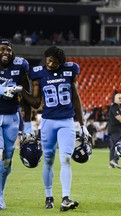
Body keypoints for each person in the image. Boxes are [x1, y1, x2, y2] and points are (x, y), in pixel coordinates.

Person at [21, 46, 90, 211]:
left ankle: (66, 198)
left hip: (66, 121)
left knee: (65, 158)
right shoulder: (38, 73)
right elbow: (37, 103)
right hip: (47, 122)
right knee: (49, 160)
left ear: (61, 62)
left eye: (54, 61)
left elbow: (75, 98)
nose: (50, 63)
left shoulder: (69, 71)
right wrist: (21, 91)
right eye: (48, 60)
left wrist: (82, 124)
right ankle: (48, 196)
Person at [0, 39, 33, 210]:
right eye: (2, 50)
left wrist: (27, 125)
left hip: (13, 117)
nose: (6, 53)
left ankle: (1, 192)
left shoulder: (20, 65)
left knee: (7, 160)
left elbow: (27, 96)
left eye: (8, 50)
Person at [107, 93, 121, 169]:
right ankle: (115, 160)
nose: (120, 99)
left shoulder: (114, 107)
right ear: (115, 99)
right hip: (116, 129)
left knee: (113, 147)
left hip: (112, 129)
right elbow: (119, 118)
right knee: (119, 145)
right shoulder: (115, 107)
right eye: (119, 98)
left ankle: (111, 164)